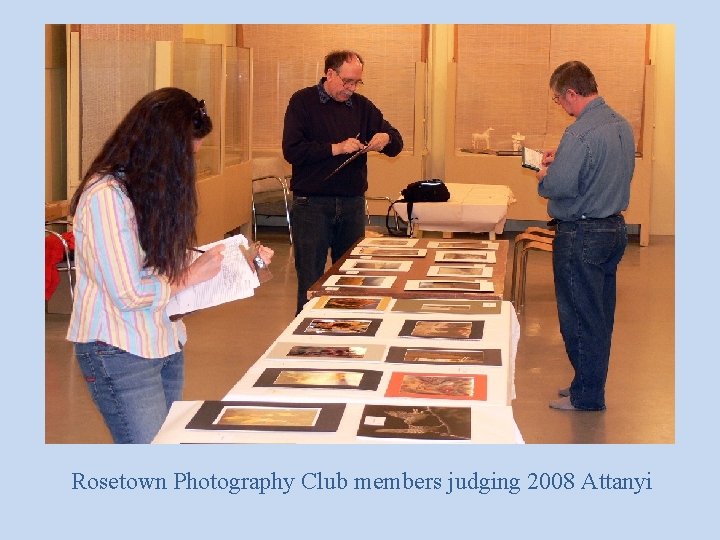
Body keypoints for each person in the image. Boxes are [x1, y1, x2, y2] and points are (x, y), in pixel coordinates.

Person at [66, 88, 274, 443]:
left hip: (164, 340)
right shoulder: (106, 197)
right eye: (185, 156)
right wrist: (194, 274)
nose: (189, 166)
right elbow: (129, 291)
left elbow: (164, 267)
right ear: (158, 149)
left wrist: (238, 264)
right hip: (119, 350)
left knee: (165, 447)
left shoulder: (148, 189)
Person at [535, 61, 635, 411]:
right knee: (599, 316)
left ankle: (587, 396)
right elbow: (602, 168)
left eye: (558, 100)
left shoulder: (579, 133)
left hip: (581, 233)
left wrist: (545, 175)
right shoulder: (621, 125)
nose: (560, 106)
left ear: (572, 94)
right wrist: (563, 159)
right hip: (613, 229)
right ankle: (586, 382)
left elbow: (560, 185)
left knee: (579, 318)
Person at [282, 50, 403, 313]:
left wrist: (386, 138)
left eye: (357, 82)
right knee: (311, 280)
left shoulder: (362, 107)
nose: (351, 89)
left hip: (351, 205)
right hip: (311, 205)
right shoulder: (302, 102)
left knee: (350, 277)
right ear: (330, 74)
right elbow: (292, 151)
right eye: (347, 81)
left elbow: (396, 143)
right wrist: (336, 148)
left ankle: (345, 331)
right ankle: (304, 340)